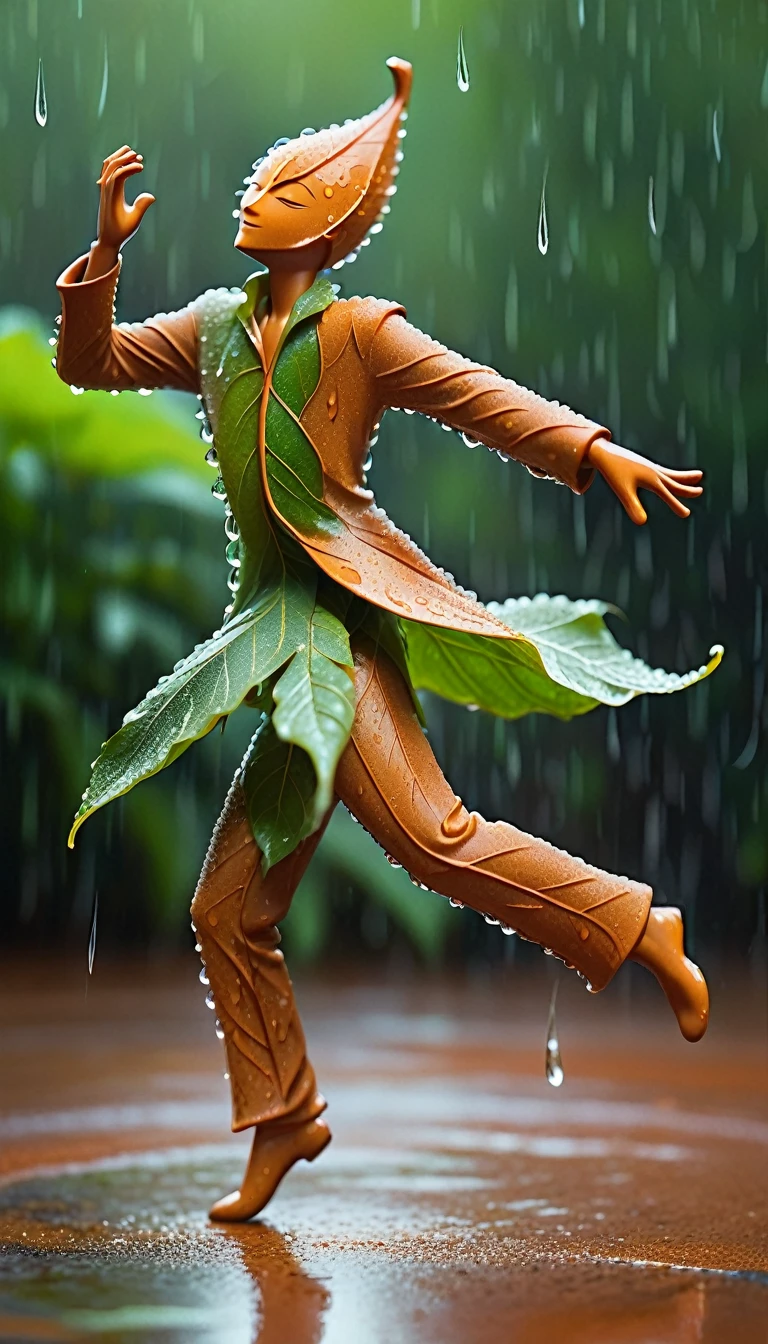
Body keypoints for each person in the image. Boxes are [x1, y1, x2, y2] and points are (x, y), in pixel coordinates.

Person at [56, 58, 711, 1222]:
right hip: (273, 645)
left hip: (345, 640)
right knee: (227, 909)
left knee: (435, 840)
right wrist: (103, 255)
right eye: (256, 185)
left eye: (282, 186)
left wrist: (588, 448)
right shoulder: (212, 330)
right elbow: (92, 361)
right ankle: (284, 1115)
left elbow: (475, 394)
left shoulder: (356, 334)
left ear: (324, 211)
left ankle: (633, 921)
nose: (254, 201)